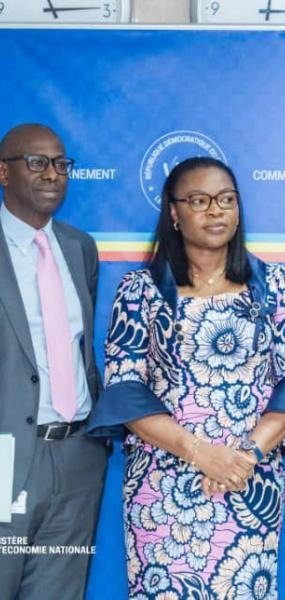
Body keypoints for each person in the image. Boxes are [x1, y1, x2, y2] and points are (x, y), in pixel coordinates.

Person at [87, 156, 285, 599]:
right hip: (163, 484)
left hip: (248, 479)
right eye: (199, 201)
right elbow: (126, 390)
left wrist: (243, 456)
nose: (216, 211)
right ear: (174, 212)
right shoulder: (140, 290)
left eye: (226, 200)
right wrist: (200, 453)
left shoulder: (275, 285)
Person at [0, 123, 107, 599]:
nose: (53, 174)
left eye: (62, 164)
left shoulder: (79, 247)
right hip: (6, 456)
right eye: (38, 163)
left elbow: (80, 348)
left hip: (77, 455)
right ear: (4, 172)